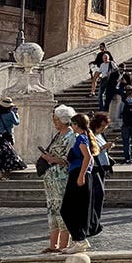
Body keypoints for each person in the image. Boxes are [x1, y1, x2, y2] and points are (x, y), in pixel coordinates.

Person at [36, 105, 75, 252]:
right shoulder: (58, 135)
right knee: (52, 211)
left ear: (65, 120)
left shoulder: (71, 136)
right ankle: (53, 245)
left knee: (62, 211)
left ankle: (64, 245)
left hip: (62, 179)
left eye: (56, 119)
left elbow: (68, 159)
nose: (54, 122)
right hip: (51, 180)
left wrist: (51, 158)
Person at [59, 114, 95, 251]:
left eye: (72, 124)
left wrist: (81, 176)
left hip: (78, 175)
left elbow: (88, 157)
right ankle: (77, 239)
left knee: (67, 209)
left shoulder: (81, 138)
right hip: (77, 173)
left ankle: (80, 239)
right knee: (74, 209)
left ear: (75, 124)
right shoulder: (83, 137)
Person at [88, 112, 112, 236]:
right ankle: (92, 223)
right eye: (102, 125)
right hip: (94, 167)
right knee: (97, 194)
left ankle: (96, 222)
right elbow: (92, 150)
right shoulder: (90, 134)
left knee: (99, 196)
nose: (104, 128)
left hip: (102, 166)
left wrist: (107, 147)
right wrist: (103, 147)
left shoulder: (101, 134)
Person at [0, 97, 26, 178]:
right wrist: (16, 113)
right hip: (6, 136)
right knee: (6, 156)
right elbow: (17, 122)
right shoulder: (10, 114)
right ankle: (2, 174)